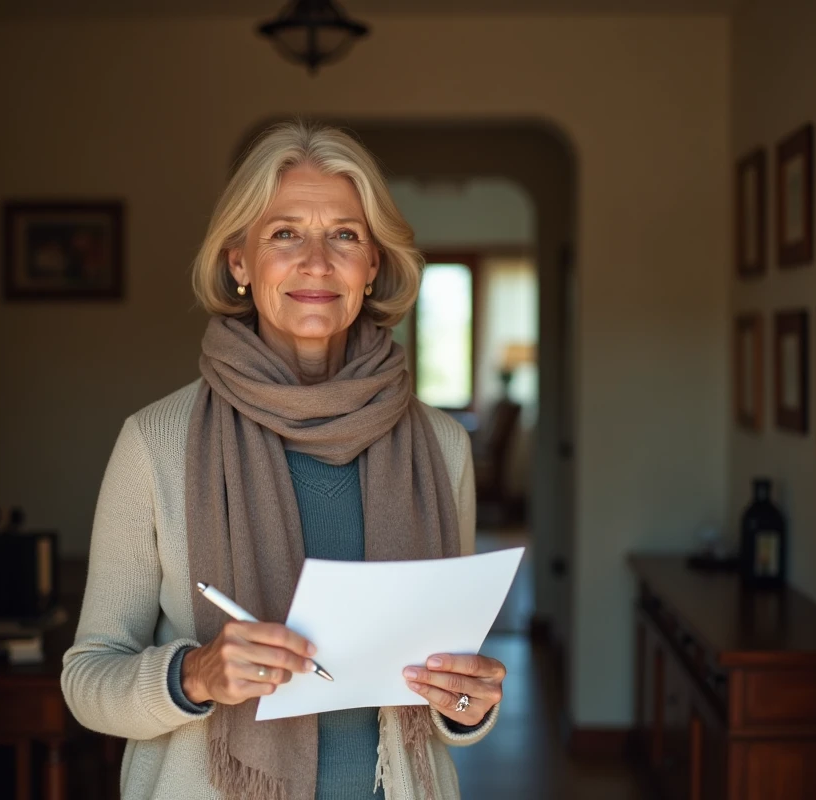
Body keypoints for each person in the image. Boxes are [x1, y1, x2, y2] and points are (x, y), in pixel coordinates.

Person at [61, 121, 506, 800]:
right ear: (239, 261)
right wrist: (196, 676)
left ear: (375, 264)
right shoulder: (156, 440)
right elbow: (88, 681)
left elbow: (449, 702)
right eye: (284, 233)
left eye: (345, 235)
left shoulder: (440, 448)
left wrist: (466, 703)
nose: (317, 262)